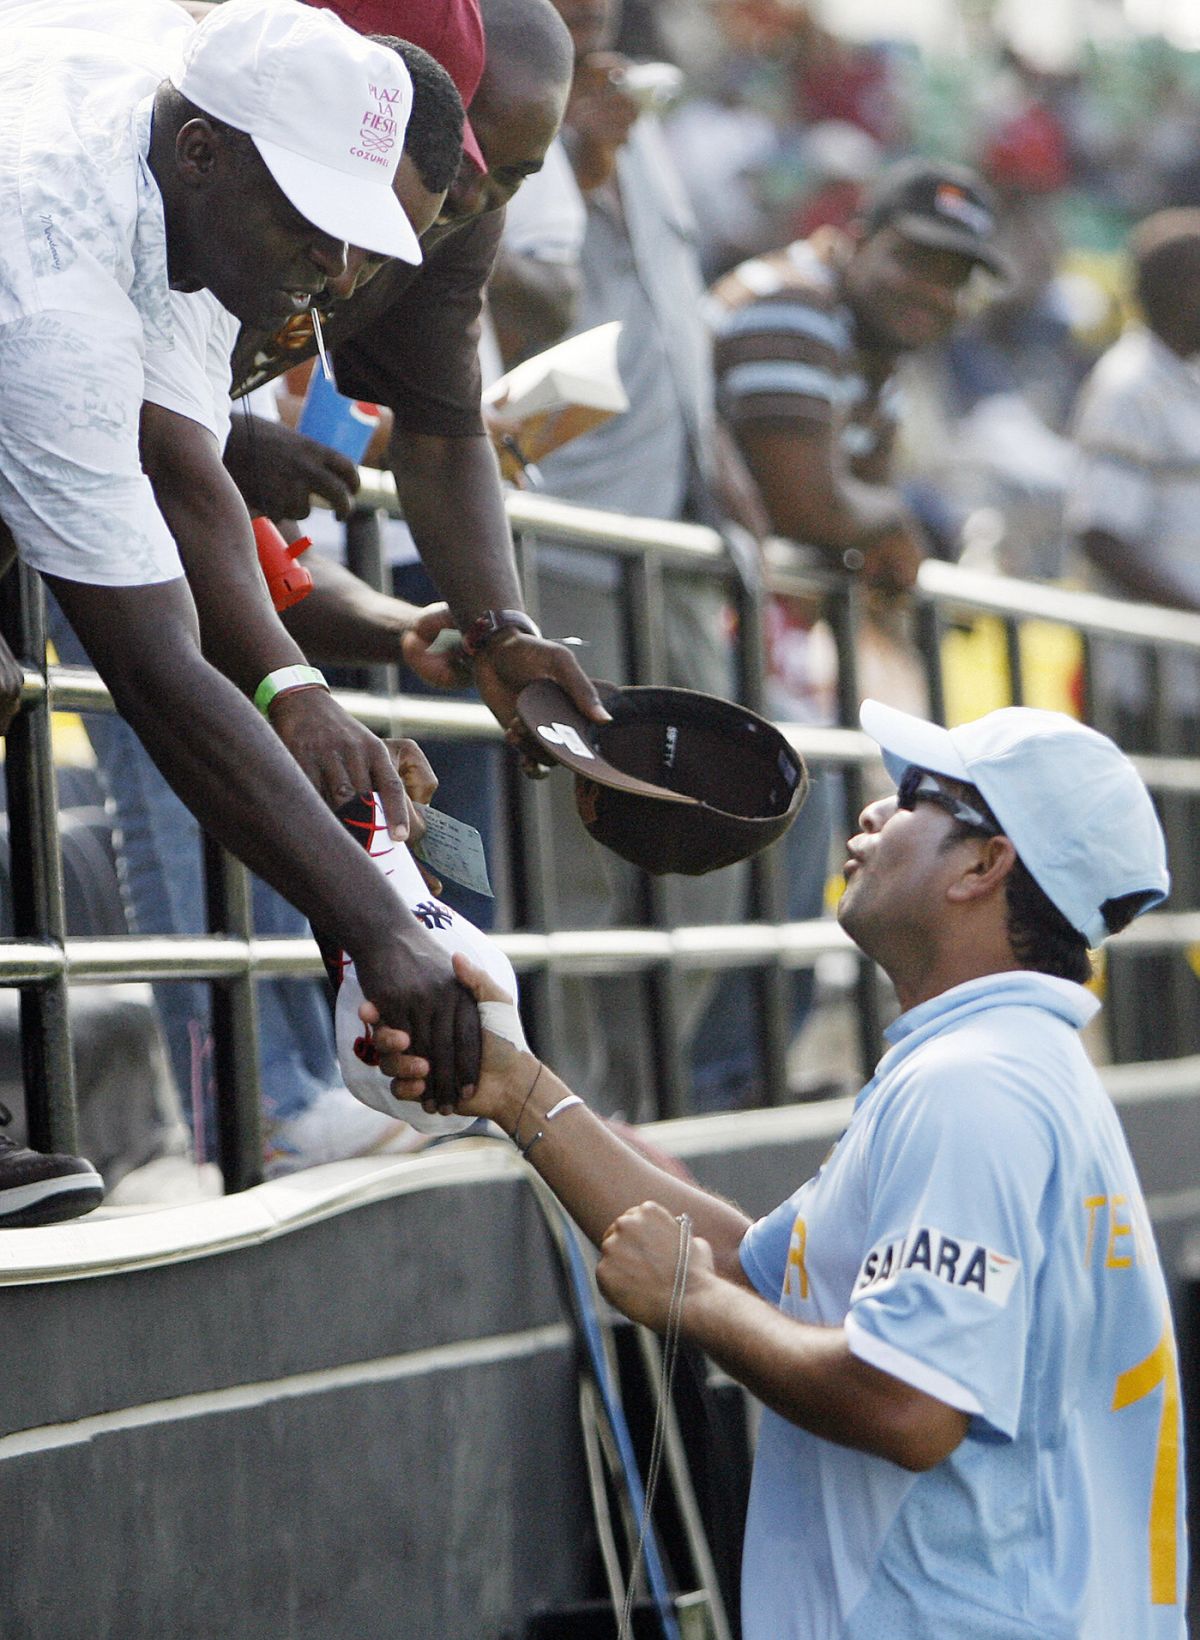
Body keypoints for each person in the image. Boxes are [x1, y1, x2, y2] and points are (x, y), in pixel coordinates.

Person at [373, 700, 1187, 1637]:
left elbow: (908, 1402)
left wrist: (695, 1305)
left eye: (916, 797)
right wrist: (517, 1089)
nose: (874, 814)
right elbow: (747, 1266)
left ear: (983, 864)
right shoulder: (992, 1066)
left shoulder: (977, 1084)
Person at [0, 0, 480, 1218]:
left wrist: (294, 687)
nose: (341, 271)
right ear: (206, 151)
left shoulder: (189, 159)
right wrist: (377, 924)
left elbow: (182, 464)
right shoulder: (55, 267)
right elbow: (155, 669)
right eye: (321, 229)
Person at [703, 157, 1011, 1100]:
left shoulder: (864, 345)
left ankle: (739, 1068)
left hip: (744, 627)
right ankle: (718, 1077)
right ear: (853, 239)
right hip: (684, 616)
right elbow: (808, 502)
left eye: (955, 275)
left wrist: (867, 515)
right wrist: (882, 518)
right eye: (915, 260)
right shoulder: (793, 301)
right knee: (786, 826)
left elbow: (841, 510)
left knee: (821, 821)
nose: (934, 290)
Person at [1066, 209, 1200, 737]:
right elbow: (1101, 534)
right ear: (1179, 291)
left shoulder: (1183, 379)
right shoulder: (1130, 385)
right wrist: (1194, 616)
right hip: (1148, 688)